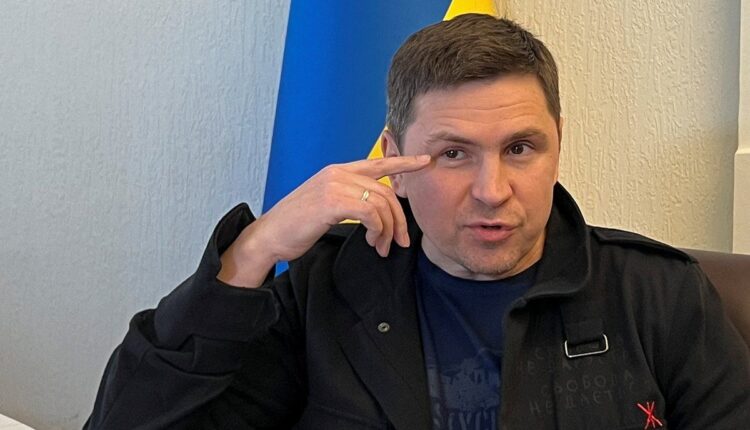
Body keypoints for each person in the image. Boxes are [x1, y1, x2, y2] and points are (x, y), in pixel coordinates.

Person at [85, 14, 750, 430]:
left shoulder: (657, 294)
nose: (492, 191)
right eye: (452, 154)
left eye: (520, 149)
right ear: (395, 161)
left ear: (558, 146)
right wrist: (251, 253)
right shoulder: (323, 293)